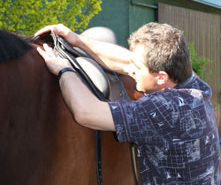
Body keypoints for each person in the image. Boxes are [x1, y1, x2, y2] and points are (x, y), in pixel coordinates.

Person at [35, 22, 220, 184]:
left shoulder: (166, 109)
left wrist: (64, 70)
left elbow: (86, 112)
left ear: (161, 77)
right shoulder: (193, 85)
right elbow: (125, 60)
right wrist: (77, 40)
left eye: (137, 67)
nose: (130, 70)